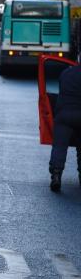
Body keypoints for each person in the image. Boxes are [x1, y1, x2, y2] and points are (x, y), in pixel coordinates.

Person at [49, 64, 81, 192]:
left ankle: (56, 175)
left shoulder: (66, 73)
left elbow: (62, 91)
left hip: (64, 115)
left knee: (60, 146)